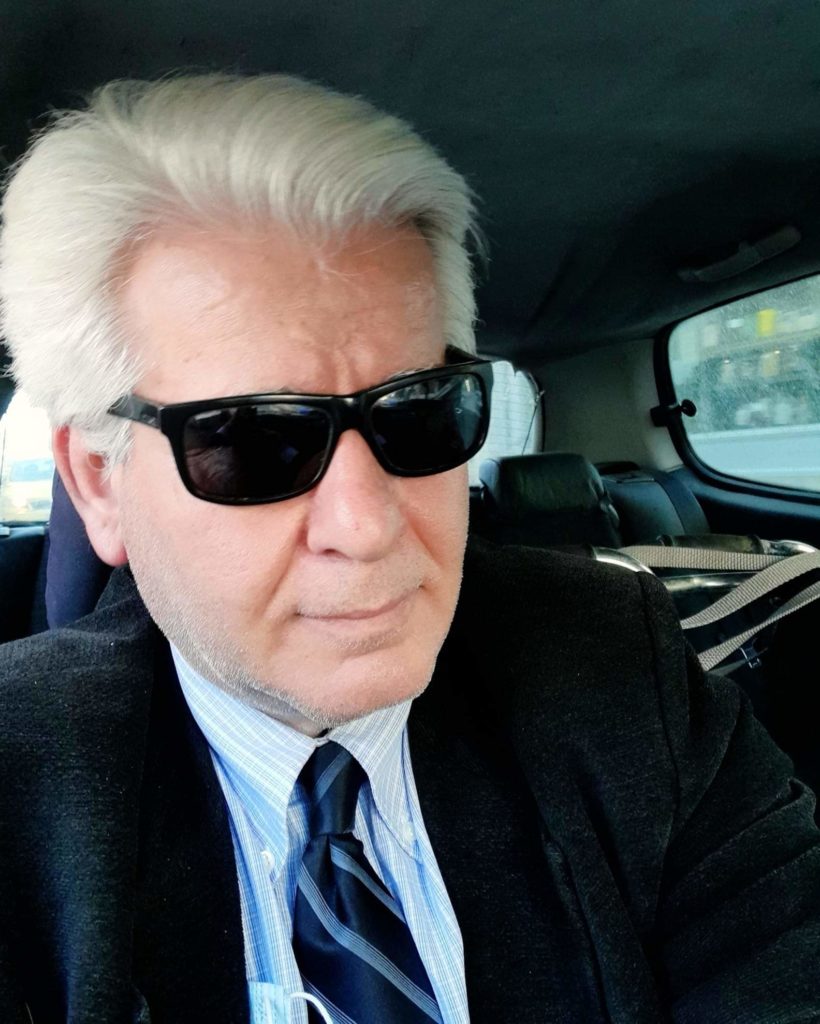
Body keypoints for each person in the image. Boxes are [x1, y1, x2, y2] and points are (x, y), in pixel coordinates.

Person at [0, 74, 818, 1024]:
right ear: (99, 482)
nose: (368, 525)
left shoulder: (615, 670)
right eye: (253, 441)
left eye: (420, 412)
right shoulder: (22, 777)